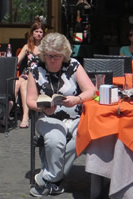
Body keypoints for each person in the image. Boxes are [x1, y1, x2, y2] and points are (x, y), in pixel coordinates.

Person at [26, 32, 95, 197]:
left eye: (57, 56)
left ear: (64, 54)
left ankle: (49, 179)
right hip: (48, 118)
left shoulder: (74, 65)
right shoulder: (35, 68)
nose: (52, 60)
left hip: (76, 117)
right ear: (43, 54)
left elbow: (91, 90)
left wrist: (77, 99)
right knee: (55, 140)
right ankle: (54, 180)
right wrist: (43, 107)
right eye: (49, 56)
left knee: (84, 136)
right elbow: (30, 100)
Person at [16, 21, 45, 128]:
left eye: (41, 32)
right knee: (15, 84)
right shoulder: (27, 46)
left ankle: (25, 117)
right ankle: (6, 114)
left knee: (23, 84)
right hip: (26, 73)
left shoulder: (45, 48)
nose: (38, 34)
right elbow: (17, 61)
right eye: (36, 31)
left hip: (39, 74)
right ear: (32, 33)